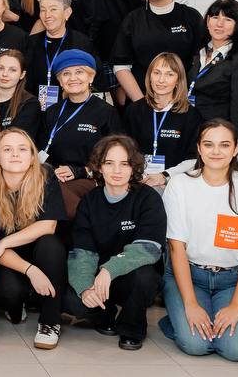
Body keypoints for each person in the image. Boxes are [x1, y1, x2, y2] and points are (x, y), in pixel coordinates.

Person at [159, 120, 238, 362]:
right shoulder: (180, 185)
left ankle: (208, 318)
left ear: (236, 149)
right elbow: (176, 248)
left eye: (224, 145)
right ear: (199, 148)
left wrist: (236, 306)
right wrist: (190, 305)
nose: (216, 151)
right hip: (190, 275)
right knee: (196, 345)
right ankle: (176, 315)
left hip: (233, 280)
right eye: (208, 144)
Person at [65, 135, 167, 350]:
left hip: (131, 277)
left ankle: (131, 328)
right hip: (99, 279)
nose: (117, 171)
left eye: (124, 164)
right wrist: (85, 289)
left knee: (144, 278)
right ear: (99, 167)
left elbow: (148, 248)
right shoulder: (90, 201)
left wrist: (109, 270)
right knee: (72, 299)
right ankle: (105, 315)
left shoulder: (148, 198)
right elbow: (82, 251)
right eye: (109, 163)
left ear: (133, 167)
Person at [0, 128, 70, 350]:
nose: (15, 154)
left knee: (50, 245)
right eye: (7, 149)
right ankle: (18, 305)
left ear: (33, 156)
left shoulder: (46, 177)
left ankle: (50, 321)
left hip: (43, 255)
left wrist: (4, 242)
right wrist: (30, 270)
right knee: (9, 293)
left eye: (22, 149)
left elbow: (48, 226)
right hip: (9, 260)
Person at [111, 0, 206, 102]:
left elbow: (203, 60)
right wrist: (141, 103)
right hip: (142, 99)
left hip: (183, 101)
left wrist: (186, 99)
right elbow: (121, 66)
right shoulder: (133, 20)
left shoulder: (191, 16)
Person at [36, 50, 123, 196]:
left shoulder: (107, 113)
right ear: (60, 81)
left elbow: (117, 157)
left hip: (91, 181)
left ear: (91, 77)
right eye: (66, 73)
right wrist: (52, 172)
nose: (72, 78)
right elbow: (39, 150)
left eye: (79, 72)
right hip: (53, 179)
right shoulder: (51, 113)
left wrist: (81, 171)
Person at [123, 52, 203, 187]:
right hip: (137, 182)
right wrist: (138, 175)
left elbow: (194, 159)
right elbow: (122, 150)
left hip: (174, 183)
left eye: (169, 74)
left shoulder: (190, 115)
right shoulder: (134, 111)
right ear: (149, 77)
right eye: (157, 73)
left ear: (178, 80)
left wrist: (165, 176)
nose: (161, 80)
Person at [184, 0, 238, 140]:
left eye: (228, 19)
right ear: (207, 21)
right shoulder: (199, 53)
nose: (219, 23)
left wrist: (233, 142)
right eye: (215, 17)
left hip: (220, 138)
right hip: (192, 132)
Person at [26, 0, 102, 109]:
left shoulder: (82, 43)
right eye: (43, 10)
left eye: (53, 9)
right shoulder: (30, 43)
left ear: (67, 13)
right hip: (33, 109)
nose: (47, 15)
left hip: (72, 111)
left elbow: (97, 82)